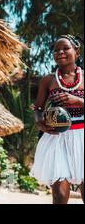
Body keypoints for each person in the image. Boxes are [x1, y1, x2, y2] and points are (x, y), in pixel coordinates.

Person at [30, 35, 84, 204]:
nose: (60, 52)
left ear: (77, 51)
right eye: (56, 50)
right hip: (57, 139)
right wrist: (40, 123)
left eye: (65, 48)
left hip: (82, 138)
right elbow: (38, 108)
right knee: (59, 196)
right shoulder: (49, 80)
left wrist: (78, 101)